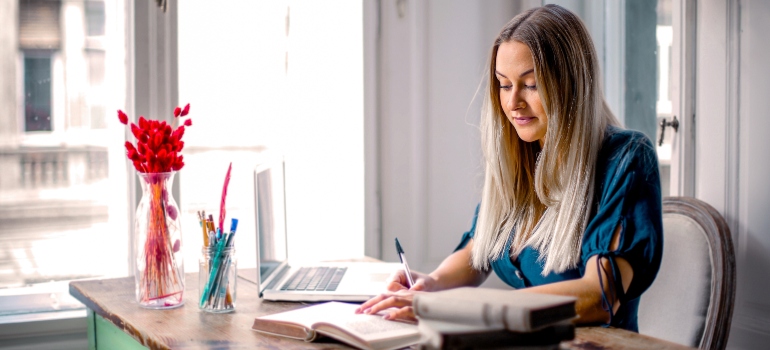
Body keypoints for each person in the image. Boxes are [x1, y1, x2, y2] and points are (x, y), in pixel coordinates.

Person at [356, 4, 662, 332]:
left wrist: (456, 307)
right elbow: (479, 249)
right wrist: (431, 283)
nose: (513, 103)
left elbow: (598, 297)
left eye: (530, 85)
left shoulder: (626, 160)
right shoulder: (521, 154)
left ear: (572, 85)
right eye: (504, 84)